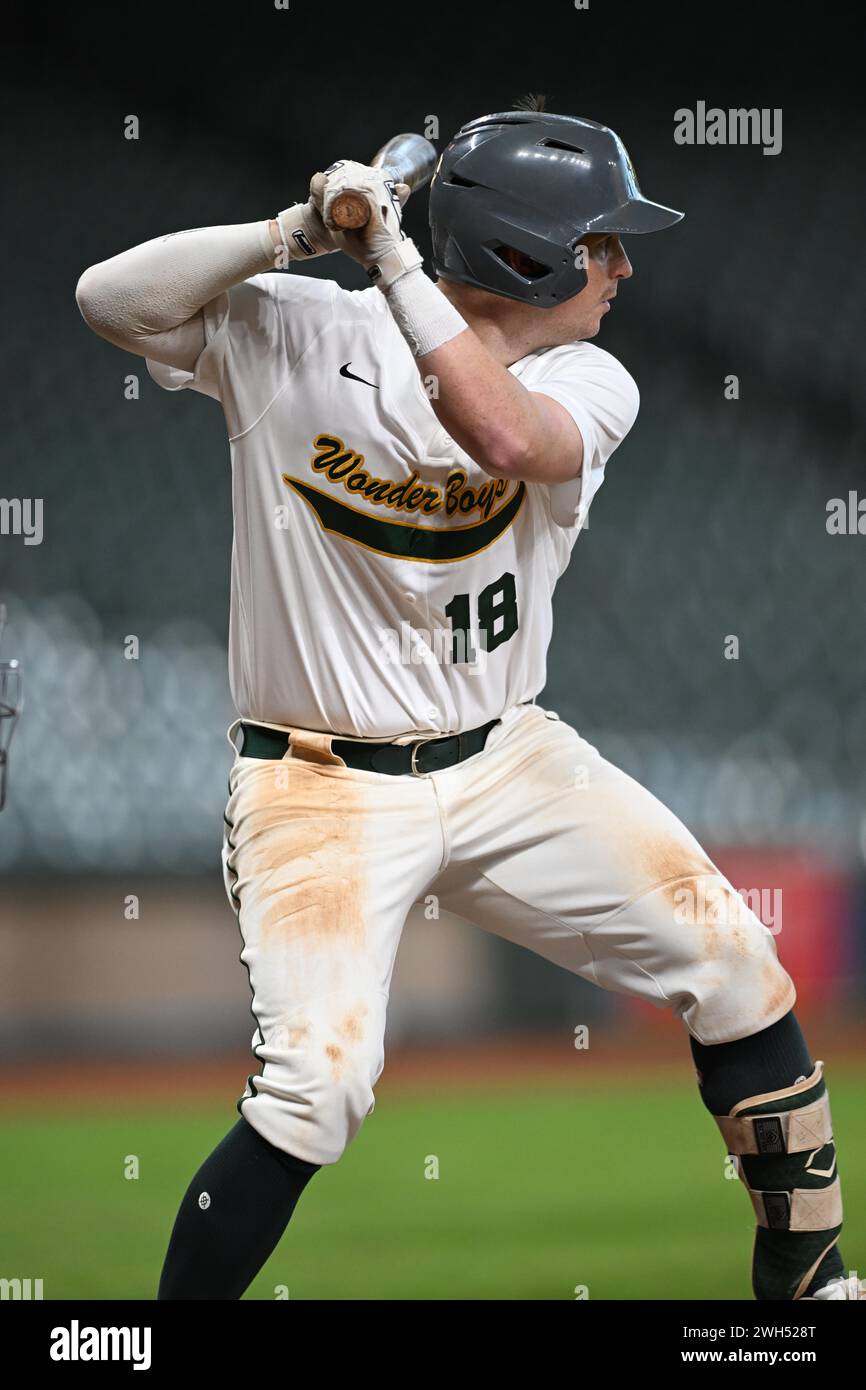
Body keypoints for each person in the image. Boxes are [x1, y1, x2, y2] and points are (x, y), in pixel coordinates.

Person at [75, 100, 860, 1302]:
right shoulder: (297, 331)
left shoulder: (587, 376)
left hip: (506, 762)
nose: (621, 266)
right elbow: (107, 299)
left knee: (735, 966)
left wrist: (391, 255)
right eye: (600, 243)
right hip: (318, 785)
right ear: (528, 254)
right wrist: (297, 229)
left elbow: (502, 438)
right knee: (316, 1086)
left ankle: (809, 1293)